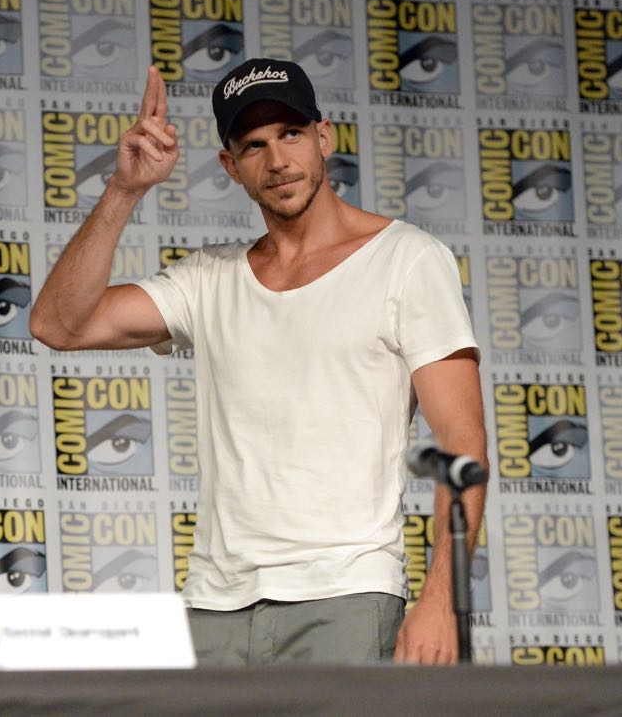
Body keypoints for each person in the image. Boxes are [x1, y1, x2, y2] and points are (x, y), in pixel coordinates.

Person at [31, 59, 487, 666]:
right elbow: (57, 325)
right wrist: (124, 191)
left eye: (291, 134)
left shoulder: (406, 259)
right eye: (253, 145)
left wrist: (439, 601)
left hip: (345, 595)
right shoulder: (209, 277)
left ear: (324, 137)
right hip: (214, 606)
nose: (277, 161)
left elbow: (463, 441)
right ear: (231, 166)